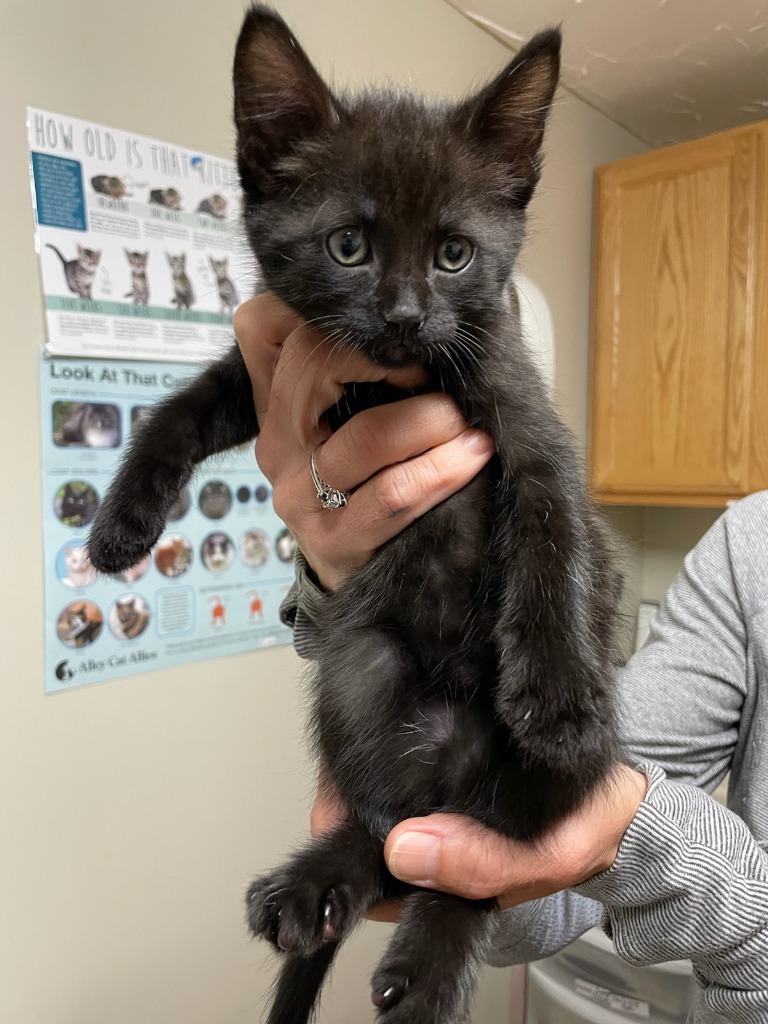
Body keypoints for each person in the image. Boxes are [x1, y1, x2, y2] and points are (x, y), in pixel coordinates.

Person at [235, 292, 768, 1023]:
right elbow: (564, 830)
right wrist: (347, 588)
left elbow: (600, 816)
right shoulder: (749, 548)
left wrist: (677, 864)